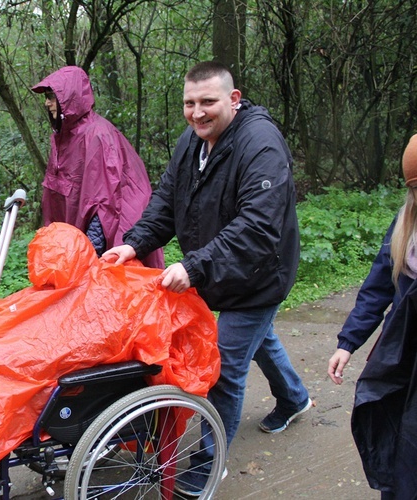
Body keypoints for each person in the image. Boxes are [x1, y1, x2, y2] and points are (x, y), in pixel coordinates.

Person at [103, 60, 311, 497]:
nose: (197, 112)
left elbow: (258, 226)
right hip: (219, 268)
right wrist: (135, 244)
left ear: (233, 99)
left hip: (258, 275)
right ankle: (294, 397)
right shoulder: (192, 141)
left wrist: (195, 266)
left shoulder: (260, 145)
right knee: (259, 339)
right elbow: (167, 199)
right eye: (189, 103)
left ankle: (198, 475)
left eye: (208, 102)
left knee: (226, 368)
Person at [0, 223, 219, 499]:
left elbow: (72, 347)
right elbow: (29, 316)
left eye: (50, 265)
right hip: (12, 362)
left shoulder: (109, 298)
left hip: (41, 380)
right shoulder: (58, 289)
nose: (44, 274)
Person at [327, 134, 417, 499]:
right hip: (400, 352)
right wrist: (347, 344)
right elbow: (379, 286)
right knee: (393, 437)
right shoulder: (405, 222)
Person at [31, 66, 164, 268]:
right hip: (81, 239)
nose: (47, 103)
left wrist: (90, 257)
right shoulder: (65, 137)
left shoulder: (97, 135)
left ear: (69, 96)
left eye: (51, 96)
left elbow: (103, 204)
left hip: (115, 234)